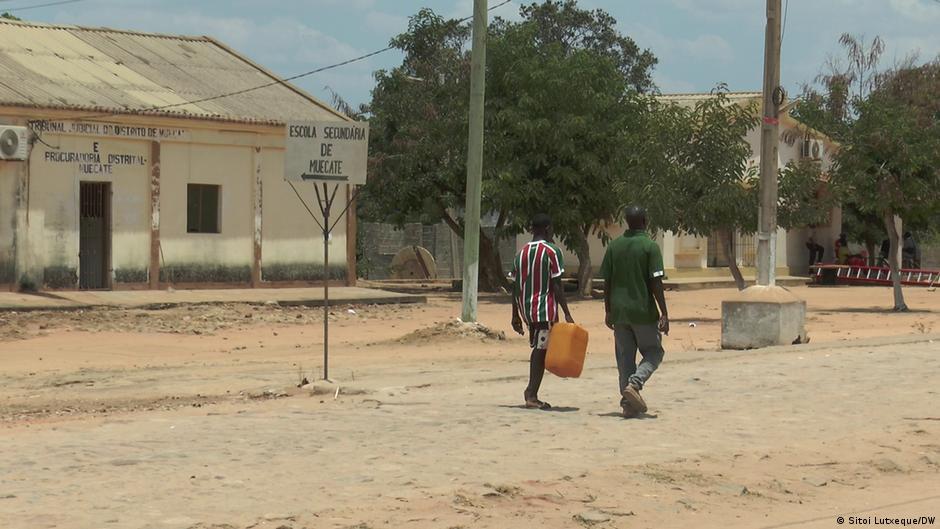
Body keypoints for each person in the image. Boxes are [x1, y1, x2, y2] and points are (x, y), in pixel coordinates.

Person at [599, 206, 669, 418]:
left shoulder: (614, 247)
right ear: (645, 221)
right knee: (654, 352)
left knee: (624, 358)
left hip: (619, 312)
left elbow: (607, 282)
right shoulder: (650, 246)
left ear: (627, 222)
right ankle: (635, 384)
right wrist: (664, 312)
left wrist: (608, 310)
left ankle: (627, 404)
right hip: (643, 311)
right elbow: (655, 282)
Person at [510, 213, 574, 410]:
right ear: (547, 228)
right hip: (544, 310)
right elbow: (556, 285)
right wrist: (567, 312)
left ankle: (532, 392)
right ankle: (531, 394)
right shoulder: (552, 251)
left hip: (527, 310)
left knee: (540, 348)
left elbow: (515, 287)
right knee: (540, 350)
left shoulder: (520, 253)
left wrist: (515, 315)